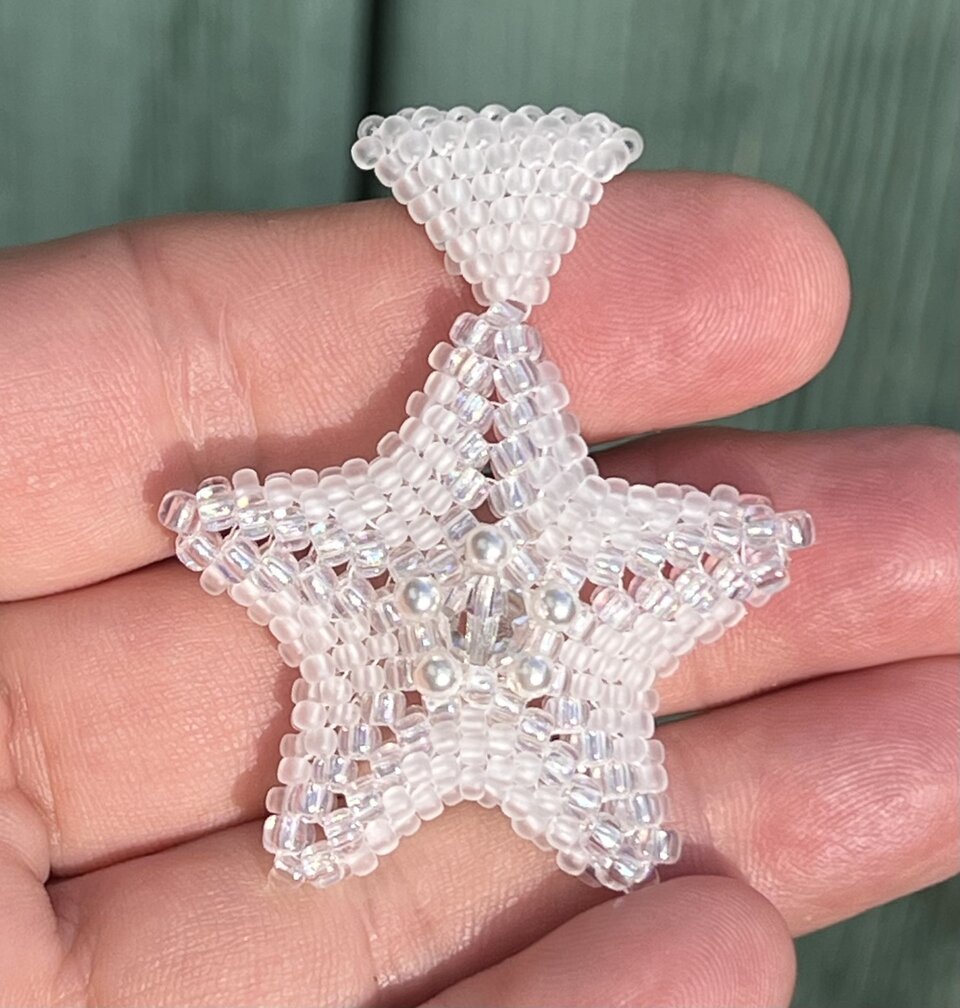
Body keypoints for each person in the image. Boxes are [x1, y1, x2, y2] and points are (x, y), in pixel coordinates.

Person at [0, 171, 956, 1008]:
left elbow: (704, 559)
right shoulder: (361, 557)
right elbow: (271, 540)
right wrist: (227, 528)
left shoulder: (562, 531)